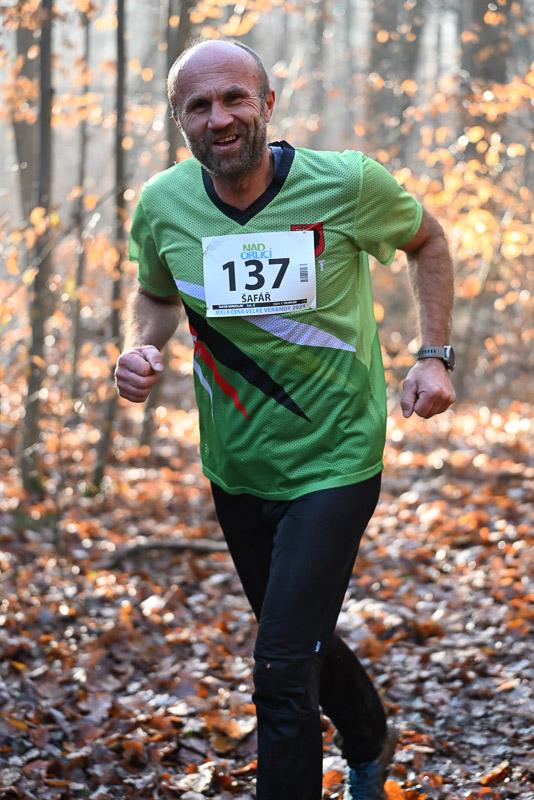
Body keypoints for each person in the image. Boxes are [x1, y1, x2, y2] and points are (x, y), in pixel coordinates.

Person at [115, 39, 455, 800]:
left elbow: (428, 240)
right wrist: (140, 347)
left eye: (235, 98)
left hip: (336, 457)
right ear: (179, 120)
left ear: (267, 104)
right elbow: (157, 293)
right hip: (237, 464)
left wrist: (434, 355)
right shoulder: (165, 203)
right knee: (297, 637)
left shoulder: (348, 184)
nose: (219, 117)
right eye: (199, 105)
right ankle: (370, 738)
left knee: (278, 668)